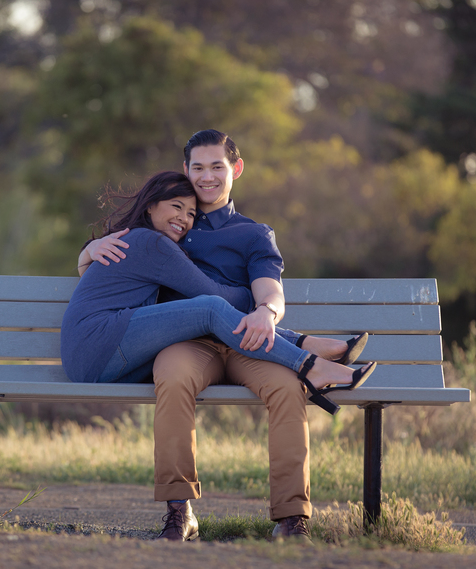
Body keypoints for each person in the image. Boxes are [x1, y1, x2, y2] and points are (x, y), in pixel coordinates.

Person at [80, 129, 375, 542]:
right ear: (185, 170)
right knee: (174, 376)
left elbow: (270, 290)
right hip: (184, 343)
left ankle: (292, 518)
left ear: (235, 169)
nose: (207, 176)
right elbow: (116, 275)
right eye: (197, 167)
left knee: (289, 387)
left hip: (250, 344)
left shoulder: (253, 234)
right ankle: (179, 512)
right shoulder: (169, 219)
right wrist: (89, 251)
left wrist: (267, 313)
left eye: (216, 166)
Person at [61, 171, 374, 396]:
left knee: (207, 319)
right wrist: (251, 288)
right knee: (209, 310)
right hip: (98, 345)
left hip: (103, 361)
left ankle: (306, 345)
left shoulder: (138, 241)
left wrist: (86, 252)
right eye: (175, 206)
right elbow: (214, 298)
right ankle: (308, 364)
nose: (183, 219)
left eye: (191, 214)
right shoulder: (150, 244)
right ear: (150, 206)